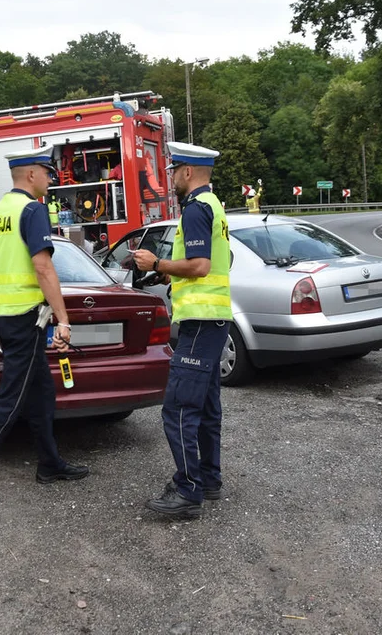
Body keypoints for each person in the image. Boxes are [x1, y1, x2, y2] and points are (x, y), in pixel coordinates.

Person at [0, 145, 90, 506]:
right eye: (48, 172)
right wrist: (64, 319)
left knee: (40, 391)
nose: (51, 179)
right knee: (9, 399)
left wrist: (10, 288)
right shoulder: (32, 210)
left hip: (8, 315)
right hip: (27, 316)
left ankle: (50, 463)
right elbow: (43, 268)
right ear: (31, 174)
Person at [133, 142, 231, 519]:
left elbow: (201, 265)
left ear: (187, 172)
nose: (171, 178)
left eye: (174, 171)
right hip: (215, 317)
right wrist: (168, 269)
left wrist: (156, 260)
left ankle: (187, 489)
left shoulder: (194, 210)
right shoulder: (215, 205)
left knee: (177, 408)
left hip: (200, 321)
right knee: (206, 406)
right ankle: (208, 480)